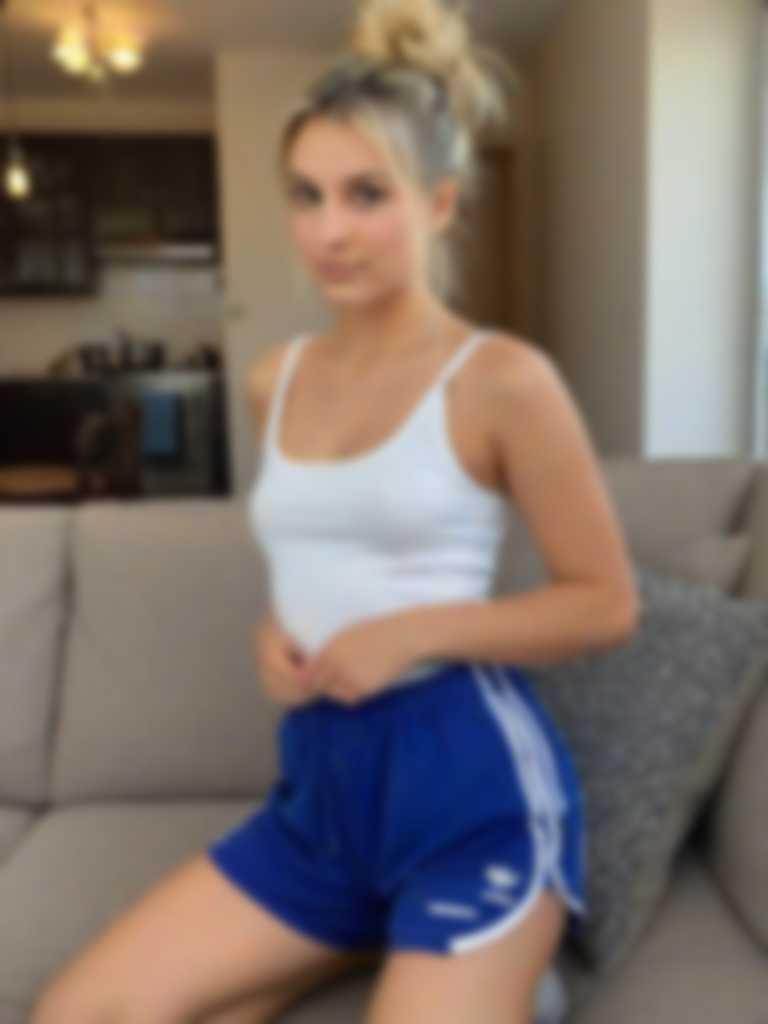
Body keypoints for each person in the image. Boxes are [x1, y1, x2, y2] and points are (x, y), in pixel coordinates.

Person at [31, 1, 639, 1021]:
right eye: (306, 196)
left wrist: (412, 632)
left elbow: (606, 604)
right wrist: (280, 630)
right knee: (73, 1013)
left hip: (470, 792)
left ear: (439, 203)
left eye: (367, 194)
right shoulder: (275, 379)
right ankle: (366, 929)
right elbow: (322, 562)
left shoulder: (502, 379)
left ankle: (472, 943)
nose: (330, 231)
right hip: (323, 788)